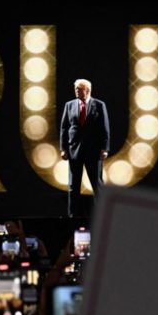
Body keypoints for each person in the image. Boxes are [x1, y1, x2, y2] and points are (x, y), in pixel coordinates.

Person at [59, 79, 110, 218]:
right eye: (75, 88)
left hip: (93, 151)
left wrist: (104, 148)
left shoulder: (99, 105)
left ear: (87, 90)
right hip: (74, 150)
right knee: (73, 185)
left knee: (97, 184)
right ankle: (72, 215)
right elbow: (64, 128)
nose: (76, 91)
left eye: (79, 89)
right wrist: (63, 149)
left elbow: (104, 128)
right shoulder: (69, 105)